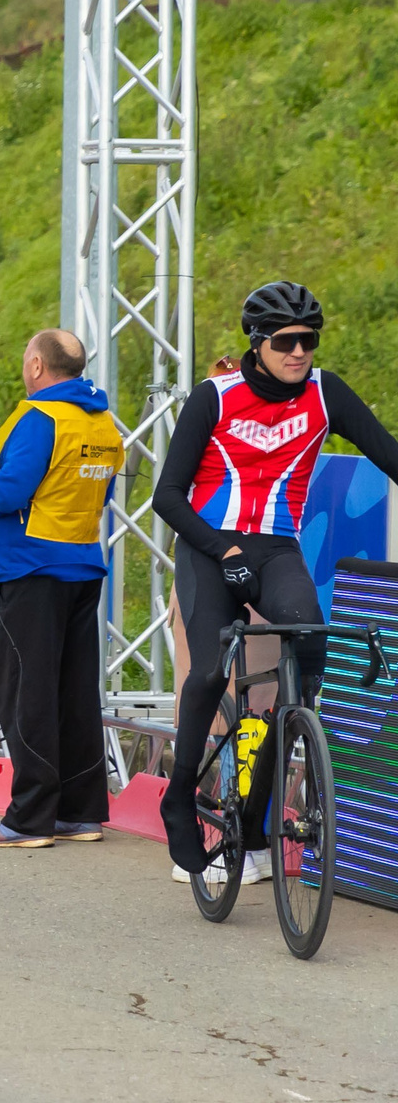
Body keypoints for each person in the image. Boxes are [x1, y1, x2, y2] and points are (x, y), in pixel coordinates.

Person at [151, 281, 398, 879]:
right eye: (286, 340)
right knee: (211, 670)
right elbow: (166, 497)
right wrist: (221, 547)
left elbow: (389, 455)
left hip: (275, 549)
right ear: (257, 343)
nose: (299, 351)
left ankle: (254, 825)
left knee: (304, 659)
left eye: (308, 340)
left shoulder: (326, 393)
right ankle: (179, 798)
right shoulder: (214, 396)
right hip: (209, 547)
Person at [0, 329, 123, 848]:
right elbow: (103, 490)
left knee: (26, 694)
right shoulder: (102, 421)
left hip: (28, 567)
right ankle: (79, 812)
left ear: (36, 364)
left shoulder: (40, 417)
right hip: (79, 561)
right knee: (74, 692)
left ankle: (29, 818)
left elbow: (8, 491)